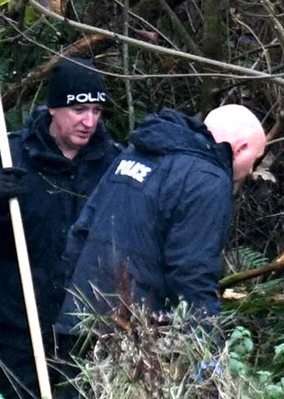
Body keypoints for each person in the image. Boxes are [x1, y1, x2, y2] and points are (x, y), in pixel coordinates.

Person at [0, 58, 119, 399]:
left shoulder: (114, 164)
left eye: (96, 111)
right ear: (54, 108)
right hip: (14, 326)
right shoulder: (11, 155)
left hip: (86, 329)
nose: (89, 121)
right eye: (78, 109)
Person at [57, 104, 266, 334]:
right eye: (254, 161)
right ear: (241, 148)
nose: (250, 172)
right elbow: (193, 272)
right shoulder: (208, 179)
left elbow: (80, 232)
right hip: (135, 336)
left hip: (80, 321)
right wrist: (208, 344)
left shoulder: (133, 155)